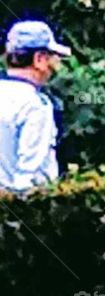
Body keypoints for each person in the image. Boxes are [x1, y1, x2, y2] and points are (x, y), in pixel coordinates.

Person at [0, 20, 71, 193]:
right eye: (52, 58)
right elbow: (31, 177)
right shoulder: (35, 106)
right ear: (39, 59)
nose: (55, 66)